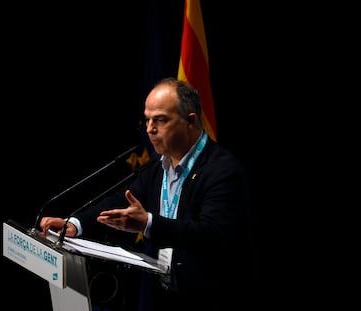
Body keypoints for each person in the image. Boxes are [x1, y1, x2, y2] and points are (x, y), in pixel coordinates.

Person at [40, 77, 252, 310]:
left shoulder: (222, 170)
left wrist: (149, 223)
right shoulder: (160, 162)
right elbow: (124, 198)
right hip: (162, 296)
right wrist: (76, 224)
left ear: (190, 121)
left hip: (207, 300)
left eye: (160, 120)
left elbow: (211, 234)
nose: (150, 129)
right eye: (148, 120)